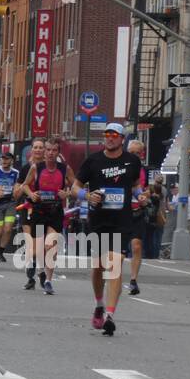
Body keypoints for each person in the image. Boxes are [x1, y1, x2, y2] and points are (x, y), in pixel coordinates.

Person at [73, 122, 142, 337]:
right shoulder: (93, 161)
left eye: (114, 135)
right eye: (107, 135)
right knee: (99, 267)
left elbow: (135, 186)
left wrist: (142, 195)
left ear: (122, 139)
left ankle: (110, 316)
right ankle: (99, 303)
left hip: (122, 221)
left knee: (115, 263)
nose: (109, 138)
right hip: (99, 220)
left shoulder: (133, 161)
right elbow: (75, 187)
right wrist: (87, 195)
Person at [16, 140, 68, 294]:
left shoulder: (64, 169)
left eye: (54, 150)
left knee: (50, 245)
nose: (51, 153)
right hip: (38, 211)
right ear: (45, 152)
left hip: (55, 211)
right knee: (37, 249)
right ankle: (36, 267)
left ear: (58, 153)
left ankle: (49, 281)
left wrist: (67, 193)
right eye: (48, 150)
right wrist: (31, 194)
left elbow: (76, 185)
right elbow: (24, 185)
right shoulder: (35, 168)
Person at [124, 139, 154, 296]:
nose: (135, 155)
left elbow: (147, 189)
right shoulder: (120, 167)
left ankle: (133, 280)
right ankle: (113, 277)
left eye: (138, 153)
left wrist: (146, 194)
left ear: (142, 154)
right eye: (132, 152)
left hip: (137, 212)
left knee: (136, 246)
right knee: (119, 251)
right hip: (122, 213)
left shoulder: (145, 171)